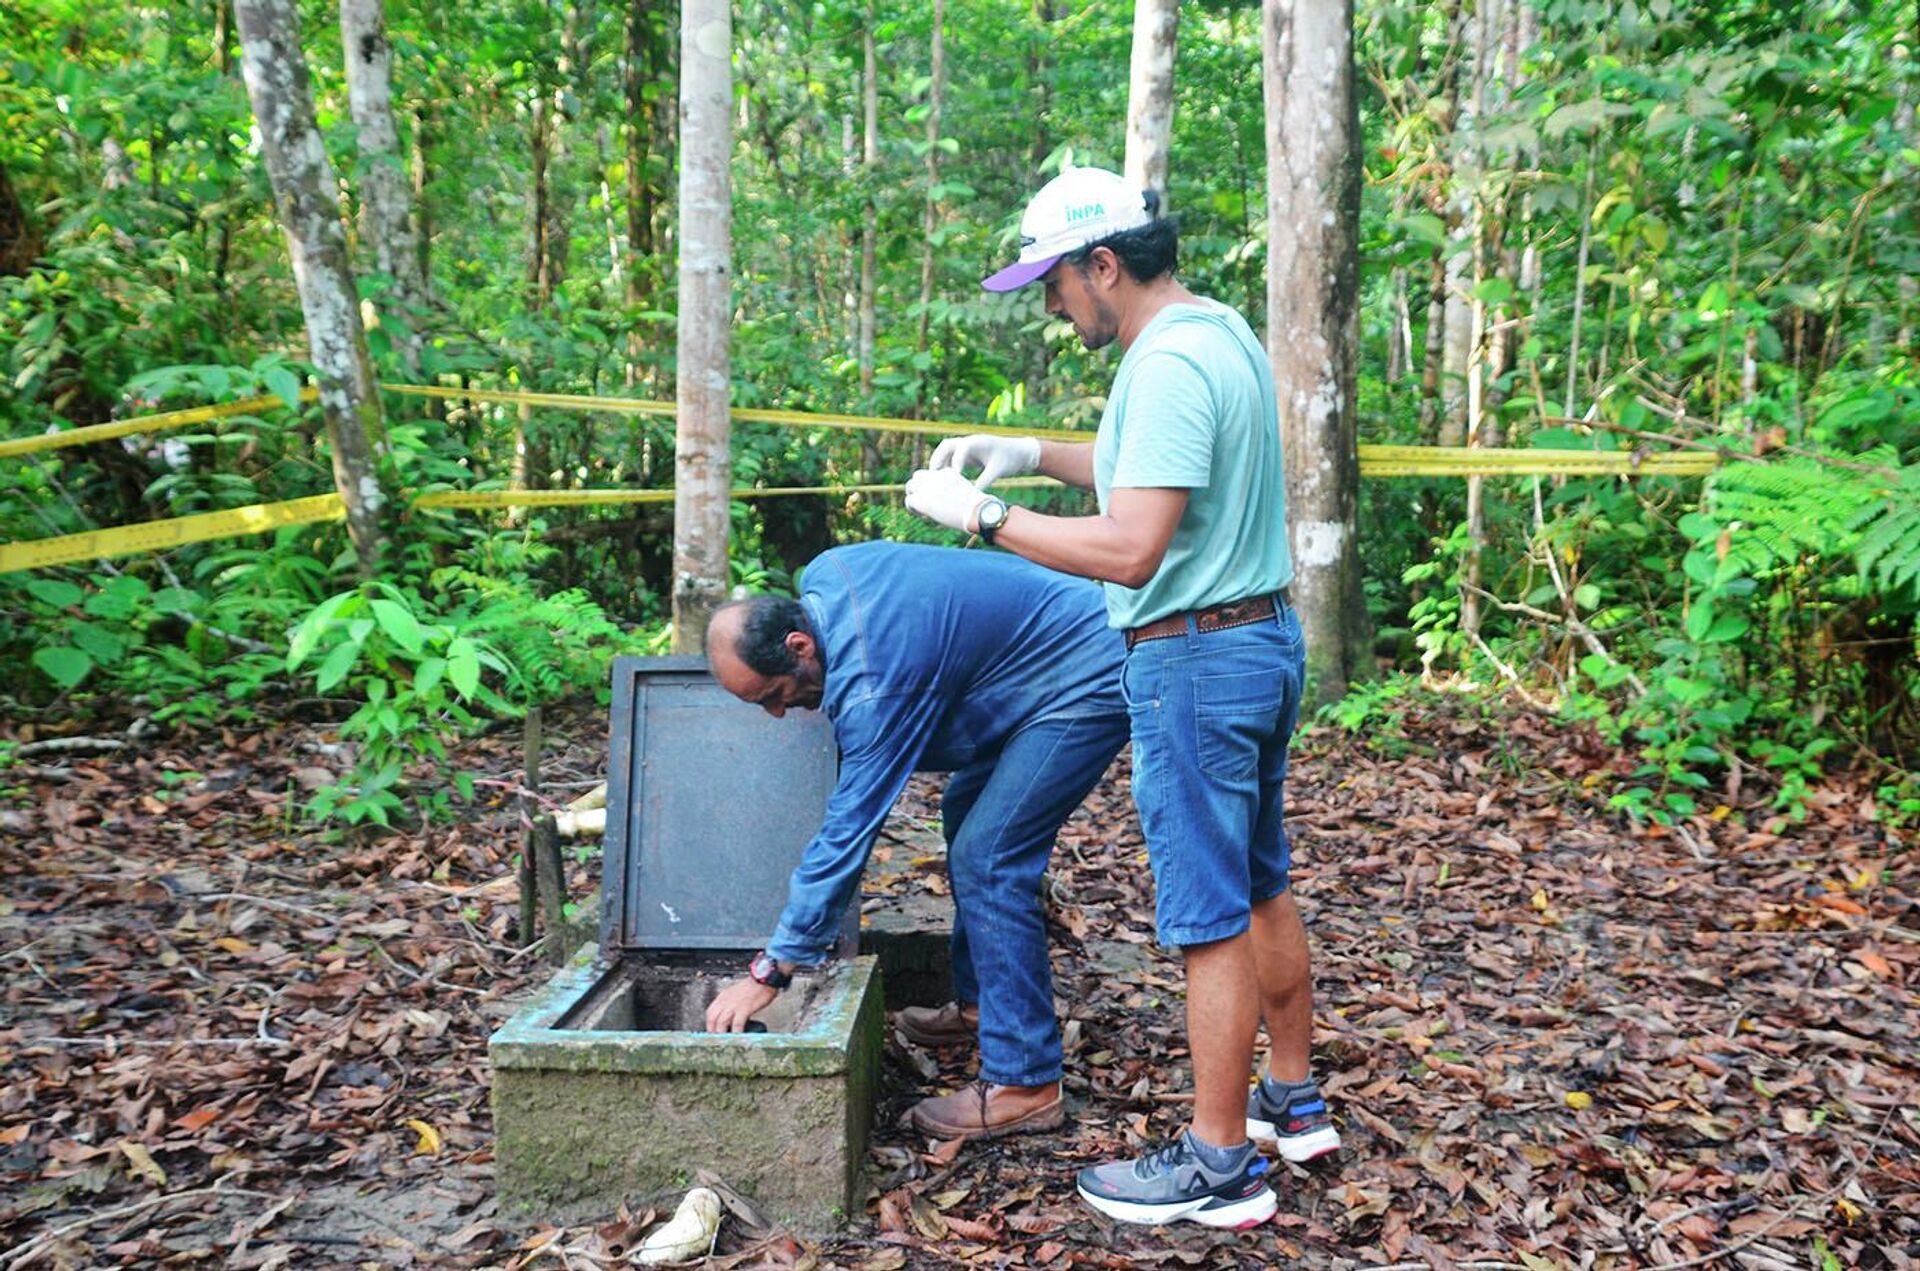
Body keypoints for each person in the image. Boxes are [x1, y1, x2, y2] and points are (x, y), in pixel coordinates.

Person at [903, 165, 1339, 1229]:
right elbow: (1144, 468)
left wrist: (982, 514)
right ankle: (1292, 1097)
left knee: (1205, 915)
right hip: (1256, 640)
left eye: (1056, 284)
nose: (1053, 308)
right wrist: (1032, 455)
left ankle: (1220, 1163)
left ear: (1104, 265)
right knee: (1257, 879)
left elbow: (1134, 545)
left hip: (1194, 658)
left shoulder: (1165, 362)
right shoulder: (1213, 331)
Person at [700, 540, 1130, 1141]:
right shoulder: (826, 571)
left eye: (772, 695)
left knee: (990, 856)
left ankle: (1026, 1081)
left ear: (799, 646)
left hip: (1088, 673)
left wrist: (772, 969)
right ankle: (985, 1006)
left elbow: (849, 832)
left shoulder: (874, 686)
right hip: (1025, 668)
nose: (777, 714)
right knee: (966, 809)